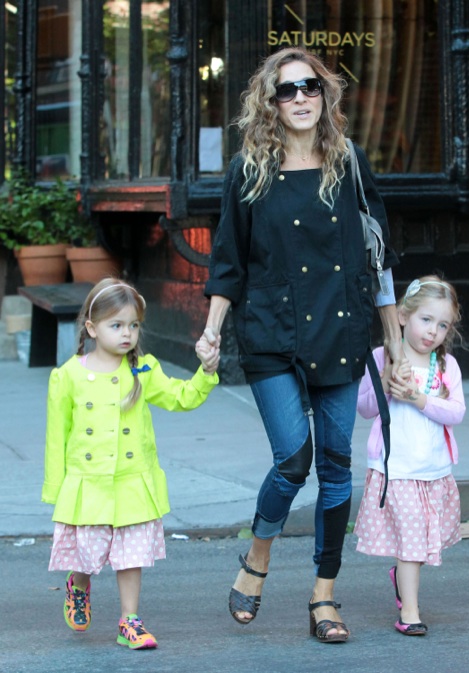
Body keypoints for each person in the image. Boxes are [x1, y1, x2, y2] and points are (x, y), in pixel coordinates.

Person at [200, 46, 403, 643]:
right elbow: (228, 261)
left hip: (340, 330)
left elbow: (379, 256)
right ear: (270, 101)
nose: (299, 98)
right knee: (293, 459)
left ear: (324, 94)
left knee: (336, 467)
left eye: (309, 86)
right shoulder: (249, 170)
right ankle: (258, 554)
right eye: (286, 89)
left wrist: (394, 341)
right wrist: (211, 330)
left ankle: (324, 595)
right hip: (270, 331)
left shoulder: (349, 162)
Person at [42, 278, 219, 649]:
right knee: (88, 555)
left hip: (132, 483)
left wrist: (205, 372)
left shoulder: (143, 370)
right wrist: (57, 491)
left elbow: (182, 398)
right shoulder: (68, 376)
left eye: (133, 325)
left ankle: (130, 621)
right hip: (88, 485)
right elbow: (57, 438)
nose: (127, 333)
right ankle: (79, 584)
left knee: (130, 557)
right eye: (116, 325)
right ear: (92, 328)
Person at [354, 275, 466, 636]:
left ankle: (403, 582)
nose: (433, 331)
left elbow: (456, 412)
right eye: (426, 319)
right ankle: (410, 613)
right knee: (412, 544)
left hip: (432, 470)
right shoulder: (382, 357)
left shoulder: (446, 366)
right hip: (396, 468)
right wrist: (386, 383)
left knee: (417, 543)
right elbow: (365, 408)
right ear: (403, 316)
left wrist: (419, 399)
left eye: (443, 324)